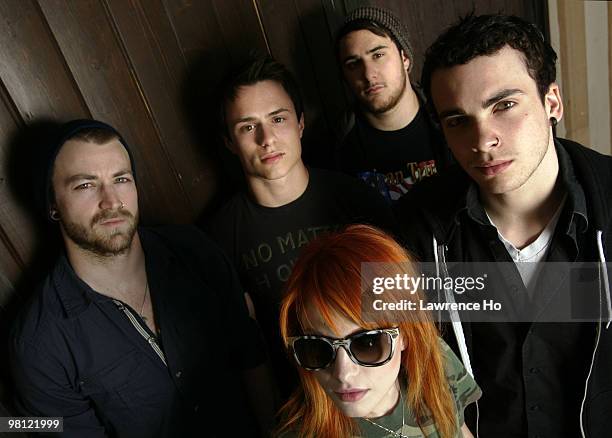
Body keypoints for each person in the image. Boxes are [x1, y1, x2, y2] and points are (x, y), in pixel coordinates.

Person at [397, 14, 612, 437]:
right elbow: (391, 363)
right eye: (457, 120)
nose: (482, 139)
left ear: (552, 102)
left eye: (504, 106)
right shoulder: (414, 228)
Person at [10, 119, 268, 437]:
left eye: (121, 179)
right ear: (52, 205)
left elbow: (252, 358)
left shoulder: (194, 250)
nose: (111, 201)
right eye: (85, 185)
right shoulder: (39, 344)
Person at [208, 56, 396, 398]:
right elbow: (246, 352)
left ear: (300, 124)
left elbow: (406, 303)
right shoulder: (221, 236)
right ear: (229, 142)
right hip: (303, 404)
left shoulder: (355, 200)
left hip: (382, 389)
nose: (266, 138)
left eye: (277, 119)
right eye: (247, 127)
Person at [276, 225, 480, 437]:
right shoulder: (303, 433)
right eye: (318, 348)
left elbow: (458, 429)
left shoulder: (434, 359)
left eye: (367, 343)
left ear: (406, 334)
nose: (343, 373)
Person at [334, 6, 450, 204]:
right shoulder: (337, 144)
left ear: (404, 57)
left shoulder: (448, 118)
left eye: (378, 55)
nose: (369, 75)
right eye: (353, 64)